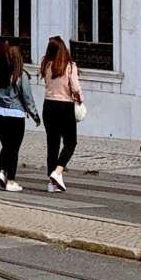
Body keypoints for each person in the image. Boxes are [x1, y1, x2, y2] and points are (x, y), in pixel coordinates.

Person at [0, 42, 40, 191]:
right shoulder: (20, 74)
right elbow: (27, 97)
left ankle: (2, 171)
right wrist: (35, 115)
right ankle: (10, 179)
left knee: (6, 146)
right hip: (15, 114)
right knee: (14, 148)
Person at [38, 36, 82, 192]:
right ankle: (58, 171)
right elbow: (75, 88)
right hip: (65, 106)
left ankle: (52, 184)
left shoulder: (46, 65)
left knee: (53, 144)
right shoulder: (70, 66)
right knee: (70, 142)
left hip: (48, 105)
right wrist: (80, 99)